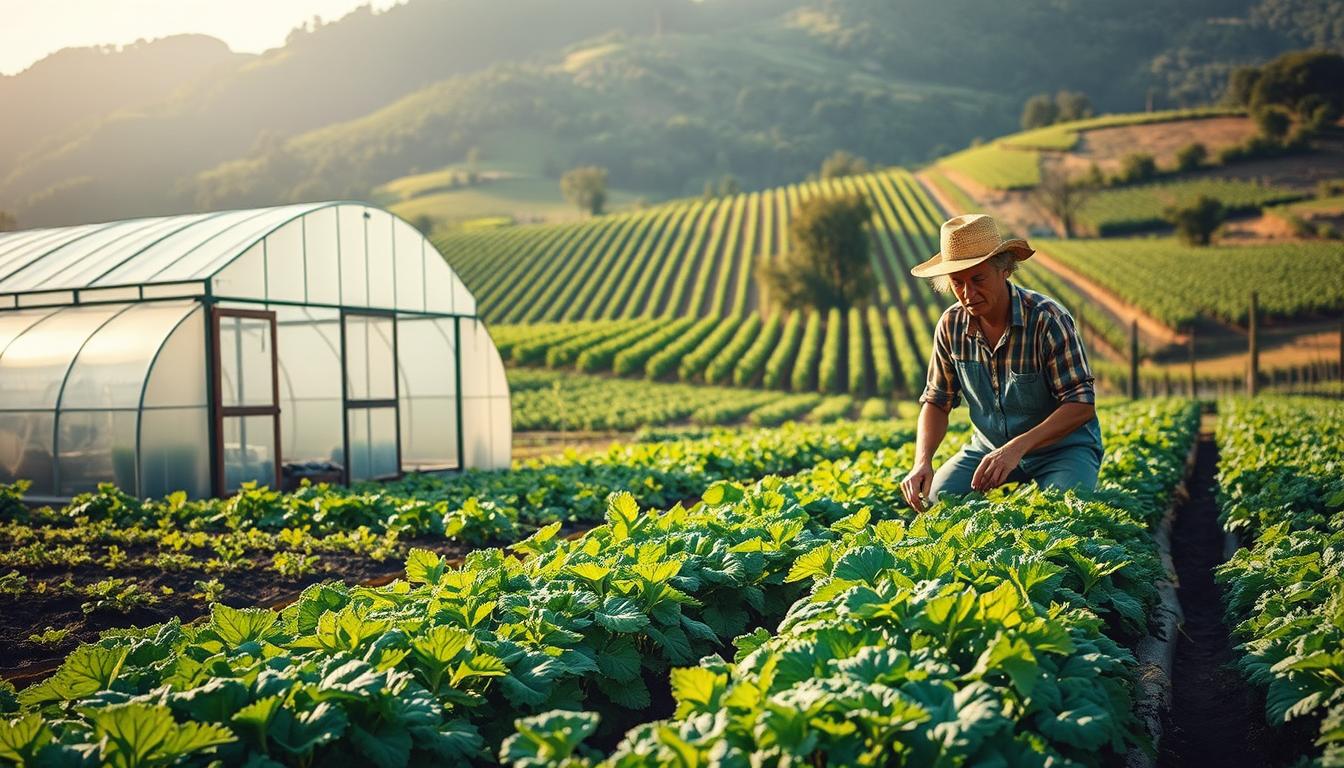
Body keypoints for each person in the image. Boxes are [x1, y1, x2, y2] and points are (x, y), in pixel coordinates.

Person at [899, 213, 1102, 513]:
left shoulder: (1047, 319)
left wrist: (1016, 448)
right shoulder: (951, 325)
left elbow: (1081, 405)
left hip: (1061, 450)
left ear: (1004, 269)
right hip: (988, 450)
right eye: (958, 283)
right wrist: (922, 461)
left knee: (1061, 514)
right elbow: (936, 401)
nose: (968, 294)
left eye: (977, 279)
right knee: (939, 504)